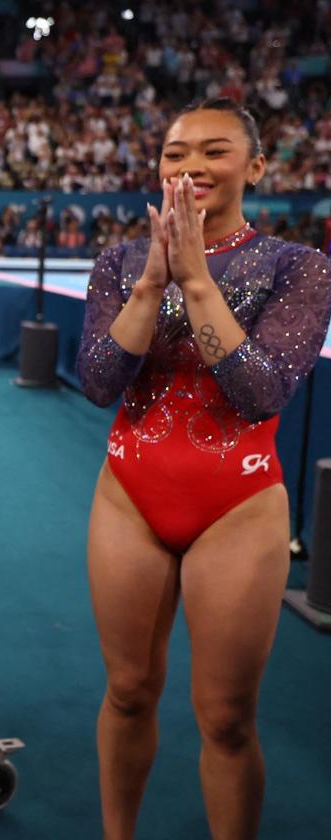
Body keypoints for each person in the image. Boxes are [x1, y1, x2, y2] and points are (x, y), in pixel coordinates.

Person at [76, 97, 331, 839]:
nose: (191, 167)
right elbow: (98, 383)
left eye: (214, 151)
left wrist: (193, 279)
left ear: (254, 166)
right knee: (127, 691)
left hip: (239, 503)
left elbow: (259, 393)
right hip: (129, 493)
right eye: (175, 153)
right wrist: (153, 282)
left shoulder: (299, 266)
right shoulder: (120, 263)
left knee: (224, 719)